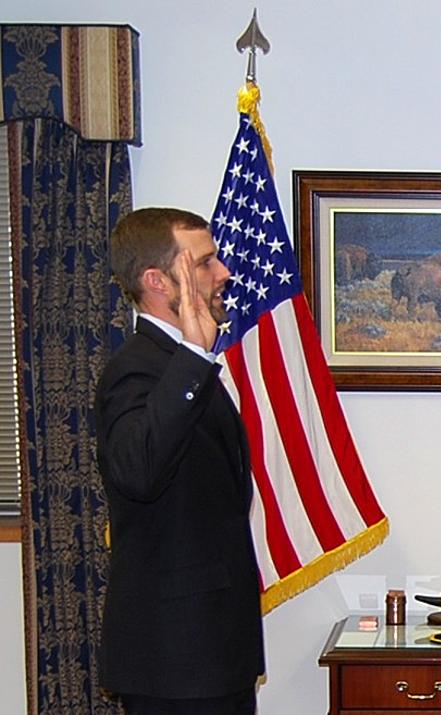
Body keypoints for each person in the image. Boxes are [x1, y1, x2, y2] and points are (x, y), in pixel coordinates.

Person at [95, 208, 265, 714]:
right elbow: (138, 471)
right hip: (173, 659)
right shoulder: (137, 370)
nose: (224, 274)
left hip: (212, 649)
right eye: (205, 263)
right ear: (156, 281)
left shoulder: (184, 366)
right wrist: (194, 355)